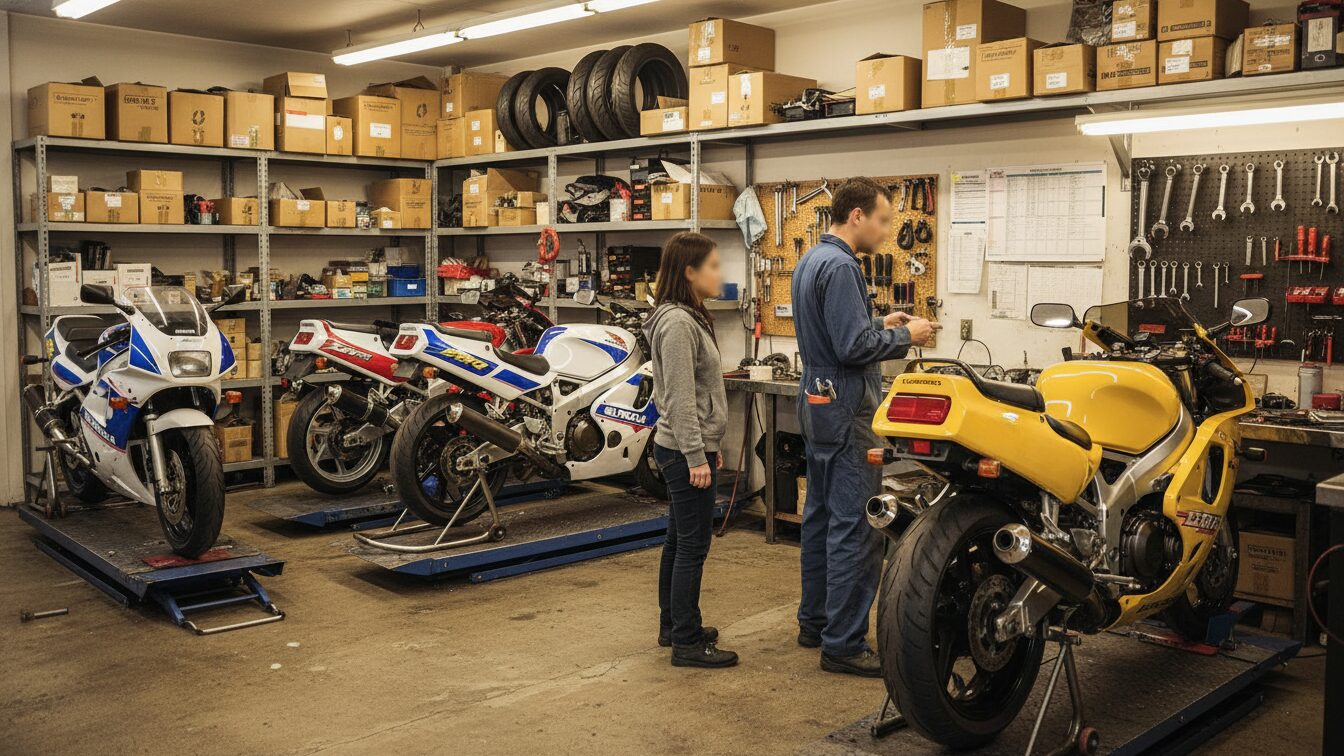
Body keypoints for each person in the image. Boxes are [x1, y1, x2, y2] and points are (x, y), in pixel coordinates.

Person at [791, 177, 939, 677]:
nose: (885, 228)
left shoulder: (812, 259)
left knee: (820, 516)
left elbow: (841, 337)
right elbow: (853, 349)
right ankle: (844, 643)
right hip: (849, 406)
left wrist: (880, 323)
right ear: (856, 216)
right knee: (856, 523)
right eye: (880, 219)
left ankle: (815, 623)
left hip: (817, 398)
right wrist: (905, 335)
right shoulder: (840, 266)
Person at [644, 232, 737, 669]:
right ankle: (687, 640)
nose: (720, 273)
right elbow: (680, 398)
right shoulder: (680, 323)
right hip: (682, 451)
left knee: (678, 540)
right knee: (693, 546)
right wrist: (696, 456)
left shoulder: (685, 316)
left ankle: (673, 625)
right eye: (714, 266)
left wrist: (706, 446)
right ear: (689, 272)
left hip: (684, 447)